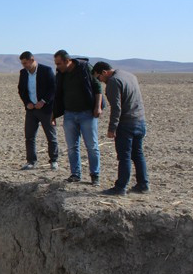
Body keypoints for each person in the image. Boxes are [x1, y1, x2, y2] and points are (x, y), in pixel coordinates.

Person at [92, 62, 150, 196]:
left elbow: (116, 108)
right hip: (140, 120)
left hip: (126, 124)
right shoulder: (130, 76)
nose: (100, 81)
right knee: (138, 154)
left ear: (104, 72)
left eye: (99, 77)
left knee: (124, 157)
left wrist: (112, 128)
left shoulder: (113, 81)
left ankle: (120, 187)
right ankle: (143, 185)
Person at [53, 50, 103, 185]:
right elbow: (57, 94)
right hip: (69, 114)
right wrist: (54, 114)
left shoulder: (85, 68)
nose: (57, 66)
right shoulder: (61, 73)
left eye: (59, 63)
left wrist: (97, 107)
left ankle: (95, 175)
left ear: (67, 61)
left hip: (87, 114)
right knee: (72, 147)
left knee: (92, 146)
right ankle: (75, 174)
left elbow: (97, 87)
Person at [17, 51, 59, 170]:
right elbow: (21, 90)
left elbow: (53, 88)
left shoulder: (46, 70)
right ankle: (31, 161)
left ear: (32, 60)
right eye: (22, 63)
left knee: (51, 136)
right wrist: (27, 103)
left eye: (26, 63)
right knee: (29, 136)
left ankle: (54, 160)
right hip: (31, 110)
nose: (24, 65)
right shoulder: (23, 73)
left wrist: (43, 101)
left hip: (46, 110)